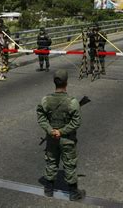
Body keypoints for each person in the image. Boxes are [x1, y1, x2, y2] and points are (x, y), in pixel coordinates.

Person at [36, 69, 86, 201]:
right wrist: (62, 131)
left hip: (52, 138)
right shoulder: (72, 102)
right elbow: (76, 122)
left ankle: (48, 189)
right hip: (67, 139)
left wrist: (50, 130)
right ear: (66, 83)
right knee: (69, 163)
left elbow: (41, 117)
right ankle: (73, 192)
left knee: (51, 161)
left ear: (54, 82)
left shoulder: (45, 100)